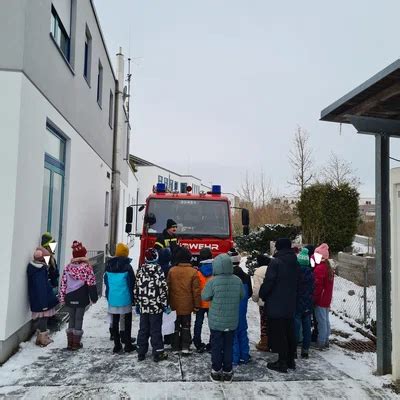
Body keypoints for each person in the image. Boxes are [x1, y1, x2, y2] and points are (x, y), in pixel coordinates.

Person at [259, 238, 300, 373]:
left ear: (278, 248)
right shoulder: (295, 262)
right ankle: (290, 360)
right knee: (289, 331)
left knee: (279, 333)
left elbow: (269, 282)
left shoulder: (276, 263)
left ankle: (282, 362)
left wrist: (263, 294)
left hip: (276, 303)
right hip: (290, 303)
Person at [202, 253, 244, 383]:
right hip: (231, 321)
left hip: (216, 321)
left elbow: (204, 297)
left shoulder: (213, 281)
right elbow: (241, 296)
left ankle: (216, 371)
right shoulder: (237, 280)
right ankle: (227, 371)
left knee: (216, 346)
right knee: (228, 346)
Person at [59, 241, 98, 350]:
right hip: (81, 296)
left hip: (69, 296)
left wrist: (62, 297)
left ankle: (69, 342)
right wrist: (94, 298)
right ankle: (76, 343)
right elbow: (91, 284)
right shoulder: (87, 268)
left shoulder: (67, 268)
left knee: (71, 318)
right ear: (83, 255)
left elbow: (63, 283)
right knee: (79, 318)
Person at [135, 248, 169, 362]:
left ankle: (141, 352)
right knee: (155, 329)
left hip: (144, 306)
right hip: (156, 307)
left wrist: (137, 304)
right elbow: (163, 289)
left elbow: (136, 289)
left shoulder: (140, 271)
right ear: (156, 258)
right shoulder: (159, 271)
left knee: (143, 329)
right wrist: (165, 305)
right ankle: (158, 352)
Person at [167, 247, 201, 355]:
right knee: (186, 325)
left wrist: (167, 302)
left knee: (175, 325)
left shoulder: (172, 271)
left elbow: (167, 287)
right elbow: (196, 291)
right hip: (187, 305)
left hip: (174, 304)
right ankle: (185, 346)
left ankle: (175, 346)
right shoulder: (193, 272)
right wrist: (196, 305)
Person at [104, 243, 136, 354]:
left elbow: (106, 281)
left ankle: (117, 345)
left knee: (115, 321)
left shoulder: (109, 265)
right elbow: (132, 283)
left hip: (113, 298)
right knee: (127, 321)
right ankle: (127, 344)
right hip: (125, 298)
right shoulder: (128, 267)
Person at [27, 248, 59, 347]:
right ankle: (43, 339)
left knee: (42, 318)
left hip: (39, 298)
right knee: (43, 318)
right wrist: (44, 304)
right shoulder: (39, 270)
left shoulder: (33, 268)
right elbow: (41, 288)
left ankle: (40, 338)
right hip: (43, 300)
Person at [229, 248, 252, 366]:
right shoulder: (246, 276)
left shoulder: (228, 277)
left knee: (232, 333)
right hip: (243, 309)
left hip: (231, 309)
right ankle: (245, 355)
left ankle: (234, 357)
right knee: (243, 331)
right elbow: (250, 294)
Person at [313, 243, 334, 350]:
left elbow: (317, 287)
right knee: (325, 320)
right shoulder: (328, 267)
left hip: (320, 299)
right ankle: (325, 340)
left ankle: (321, 342)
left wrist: (314, 298)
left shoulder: (319, 269)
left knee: (321, 321)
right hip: (326, 298)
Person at [295, 247, 314, 359]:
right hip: (308, 304)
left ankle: (293, 350)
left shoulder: (296, 274)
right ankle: (305, 350)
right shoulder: (311, 274)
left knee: (296, 327)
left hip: (297, 303)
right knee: (307, 327)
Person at [193, 247, 213, 353]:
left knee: (198, 323)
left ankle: (197, 343)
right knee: (213, 324)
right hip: (212, 303)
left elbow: (196, 289)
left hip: (200, 302)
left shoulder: (197, 272)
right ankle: (212, 344)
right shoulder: (216, 271)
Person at [251, 254, 271, 352]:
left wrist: (255, 299)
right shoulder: (273, 268)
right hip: (274, 300)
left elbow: (256, 288)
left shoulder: (258, 271)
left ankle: (264, 342)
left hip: (263, 301)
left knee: (264, 322)